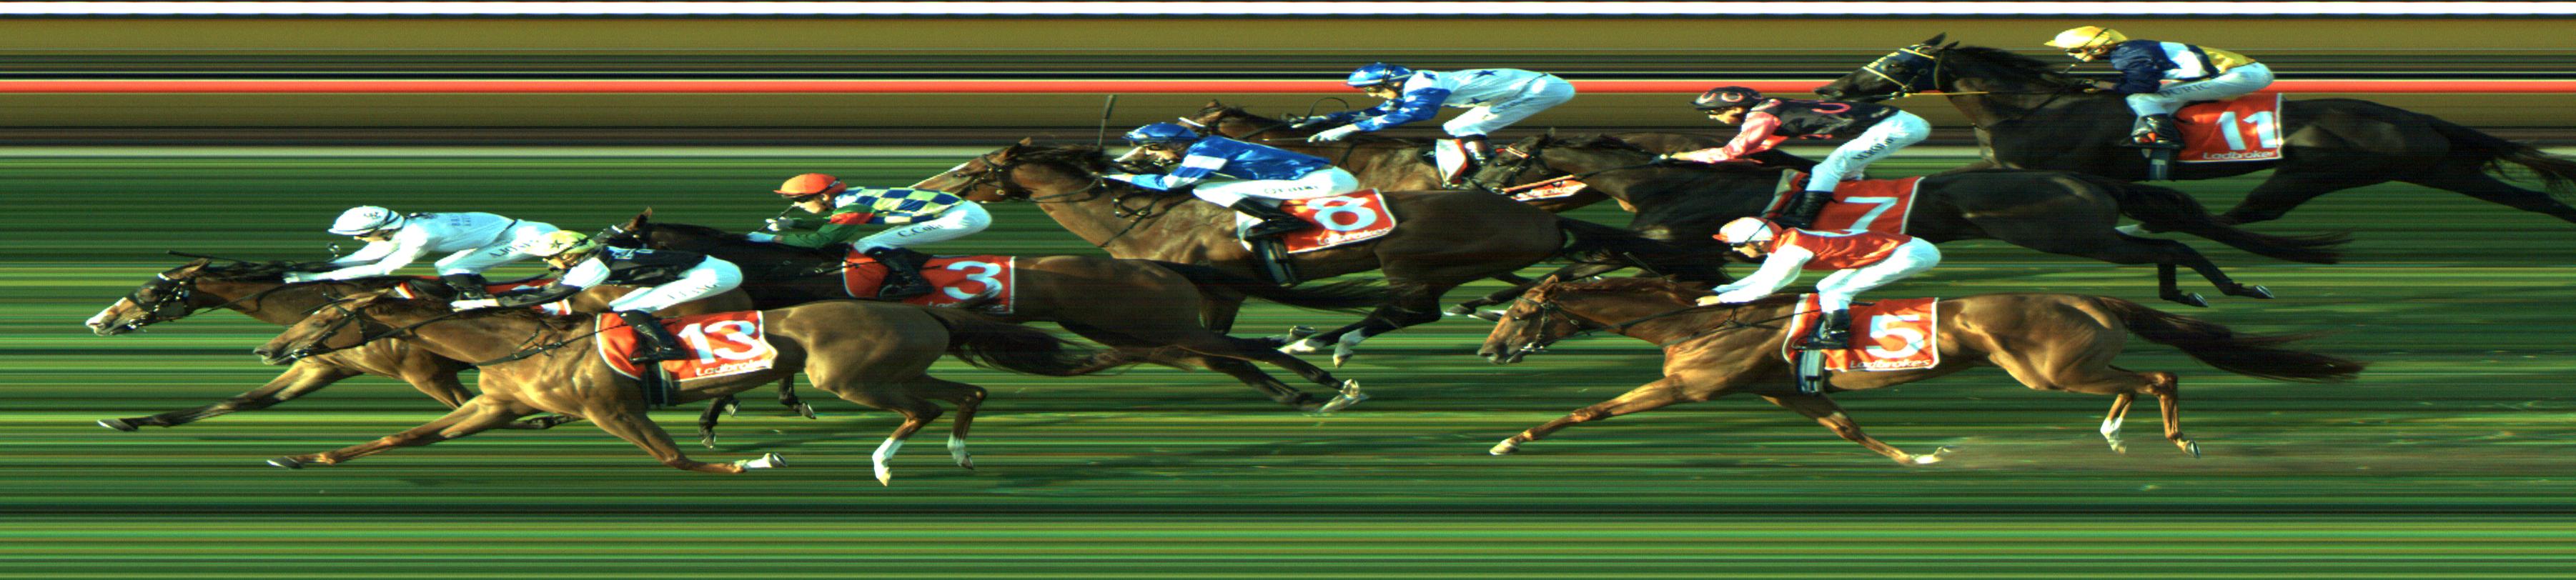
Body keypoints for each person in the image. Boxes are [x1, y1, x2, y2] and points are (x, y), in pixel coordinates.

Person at [451, 231, 743, 363]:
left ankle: (670, 349)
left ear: (570, 254)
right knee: (621, 305)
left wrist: (487, 302)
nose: (548, 262)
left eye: (551, 257)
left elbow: (549, 296)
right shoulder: (595, 250)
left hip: (712, 275)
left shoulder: (593, 268)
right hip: (701, 267)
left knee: (631, 308)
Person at [1660, 86, 1929, 230]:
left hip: (1896, 126)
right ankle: (1853, 210)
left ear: (1736, 107)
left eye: (1715, 112)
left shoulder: (1761, 116)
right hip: (1893, 123)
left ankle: (1801, 220)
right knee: (1844, 173)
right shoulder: (1772, 107)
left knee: (1827, 171)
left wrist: (1682, 156)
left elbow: (1731, 152)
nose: (1713, 117)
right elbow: (1758, 149)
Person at [1296, 63, 1577, 183]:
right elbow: (1378, 111)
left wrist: (1350, 129)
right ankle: (1488, 165)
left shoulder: (1422, 85)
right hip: (1528, 88)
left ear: (1392, 82)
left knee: (1462, 127)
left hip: (1541, 89)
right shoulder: (1414, 84)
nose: (1371, 94)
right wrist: (1326, 120)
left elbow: (1417, 114)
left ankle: (1491, 171)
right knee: (1456, 127)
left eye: (1372, 88)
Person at [1695, 216, 1941, 350]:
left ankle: (1838, 337)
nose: (1736, 250)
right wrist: (1720, 289)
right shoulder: (1785, 240)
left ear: (1759, 241)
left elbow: (1766, 288)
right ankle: (1839, 327)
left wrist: (1720, 300)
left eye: (1737, 245)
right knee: (1825, 288)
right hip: (1902, 248)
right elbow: (1761, 276)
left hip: (1909, 254)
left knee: (1834, 291)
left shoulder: (1792, 251)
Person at [748, 174, 988, 299]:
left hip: (961, 217)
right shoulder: (849, 198)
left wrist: (770, 240)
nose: (797, 205)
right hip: (958, 211)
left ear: (823, 196)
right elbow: (835, 222)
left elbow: (822, 240)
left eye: (800, 200)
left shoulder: (854, 204)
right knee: (872, 243)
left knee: (870, 243)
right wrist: (794, 223)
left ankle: (915, 283)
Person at [1109, 122, 1362, 239]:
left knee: (1205, 189)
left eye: (1152, 148)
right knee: (1210, 186)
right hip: (1322, 176)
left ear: (1172, 144)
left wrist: (1127, 177)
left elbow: (1172, 184)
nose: (1151, 154)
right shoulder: (1209, 145)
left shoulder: (1206, 151)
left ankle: (1283, 221)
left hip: (1323, 182)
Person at [2044, 26, 2273, 150]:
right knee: (2162, 93)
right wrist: (2104, 84)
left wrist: (2100, 85)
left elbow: (2142, 87)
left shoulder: (2127, 56)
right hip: (2242, 71)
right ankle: (2149, 133)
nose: (2071, 55)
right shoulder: (2130, 50)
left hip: (2240, 76)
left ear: (2098, 48)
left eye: (2074, 51)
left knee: (2141, 100)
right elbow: (2140, 79)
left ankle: (2167, 139)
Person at [283, 206, 560, 301]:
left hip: (530, 237)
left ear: (382, 229)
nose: (357, 239)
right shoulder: (405, 227)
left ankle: (483, 303)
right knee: (448, 267)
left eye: (361, 234)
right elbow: (366, 256)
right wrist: (323, 267)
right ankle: (479, 298)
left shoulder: (420, 235)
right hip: (511, 232)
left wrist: (311, 279)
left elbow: (381, 268)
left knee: (450, 268)